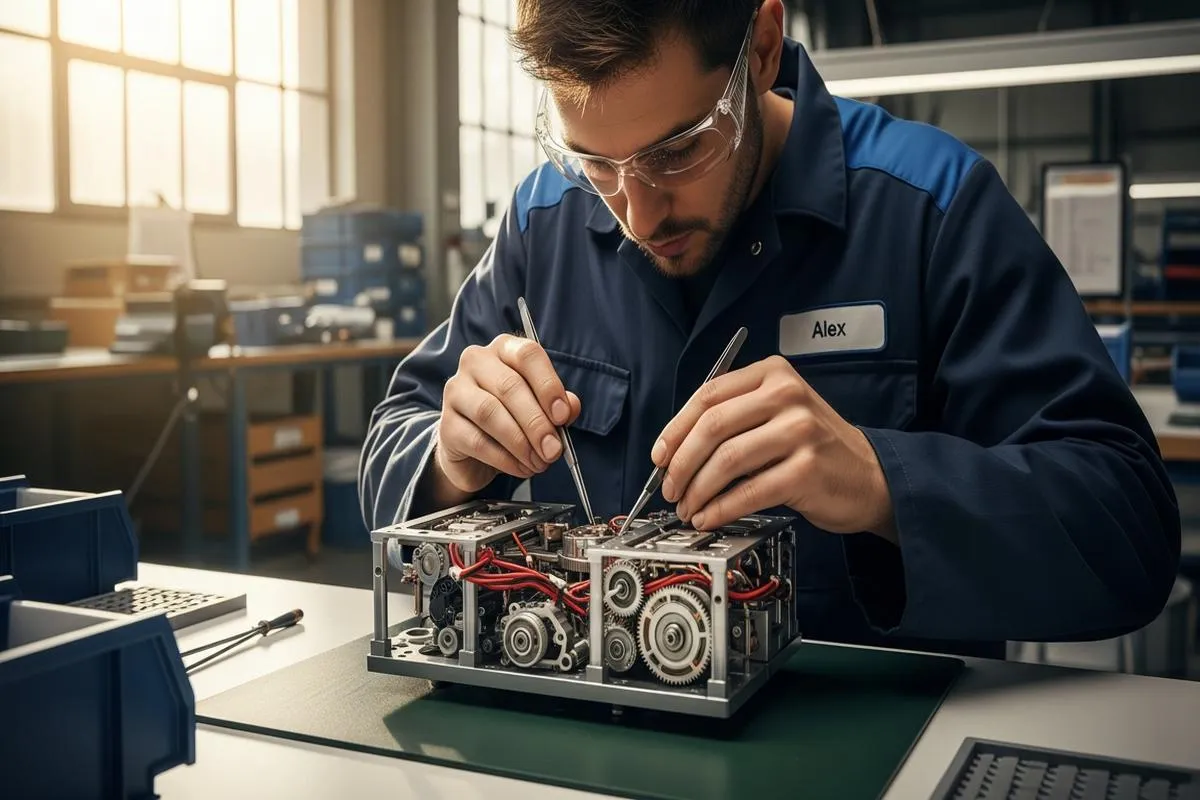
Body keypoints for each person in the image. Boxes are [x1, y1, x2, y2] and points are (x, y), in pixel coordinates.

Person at [360, 0, 1180, 659]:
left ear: (761, 45)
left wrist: (882, 484)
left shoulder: (931, 208)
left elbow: (1130, 533)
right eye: (597, 163)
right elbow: (393, 440)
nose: (637, 212)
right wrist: (447, 461)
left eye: (677, 151)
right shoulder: (543, 222)